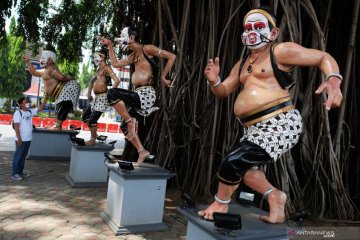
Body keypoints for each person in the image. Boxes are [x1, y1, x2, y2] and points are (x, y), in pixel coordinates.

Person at [198, 7, 343, 223]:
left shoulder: (280, 51)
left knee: (233, 161)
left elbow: (322, 57)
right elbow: (224, 91)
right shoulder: (242, 64)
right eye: (248, 28)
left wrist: (333, 79)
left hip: (279, 122)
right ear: (242, 35)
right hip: (254, 128)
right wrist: (214, 80)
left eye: (258, 27)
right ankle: (276, 198)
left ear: (273, 33)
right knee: (245, 172)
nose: (253, 32)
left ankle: (220, 203)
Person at [99, 26, 176, 166]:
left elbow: (172, 56)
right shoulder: (132, 56)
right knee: (124, 126)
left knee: (112, 93)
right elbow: (115, 64)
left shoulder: (147, 49)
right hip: (137, 94)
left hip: (146, 94)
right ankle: (142, 151)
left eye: (122, 36)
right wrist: (110, 46)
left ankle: (130, 120)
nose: (120, 40)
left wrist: (164, 77)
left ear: (132, 38)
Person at [22, 51, 80, 130]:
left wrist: (68, 78)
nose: (41, 60)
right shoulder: (45, 71)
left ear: (50, 60)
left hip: (68, 88)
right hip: (60, 92)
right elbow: (34, 72)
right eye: (41, 58)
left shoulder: (51, 69)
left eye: (43, 58)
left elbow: (61, 77)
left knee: (63, 106)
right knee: (60, 106)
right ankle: (57, 125)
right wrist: (28, 62)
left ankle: (58, 125)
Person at [82, 48, 120, 145]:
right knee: (85, 116)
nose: (94, 59)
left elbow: (116, 80)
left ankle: (92, 139)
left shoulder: (107, 68)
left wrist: (110, 94)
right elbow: (92, 82)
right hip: (96, 98)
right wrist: (89, 92)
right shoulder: (98, 69)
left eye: (96, 56)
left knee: (92, 120)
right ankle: (95, 135)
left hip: (103, 97)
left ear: (103, 57)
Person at [11, 97, 44, 180]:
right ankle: (15, 174)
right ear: (21, 104)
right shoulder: (18, 113)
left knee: (23, 157)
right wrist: (19, 139)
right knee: (17, 156)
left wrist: (46, 99)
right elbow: (16, 126)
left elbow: (40, 108)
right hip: (21, 139)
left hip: (28, 139)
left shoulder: (30, 111)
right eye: (26, 101)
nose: (27, 102)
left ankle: (20, 172)